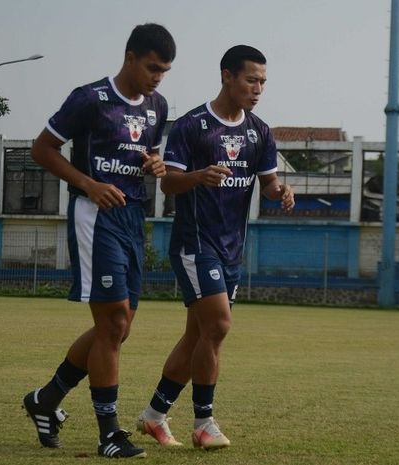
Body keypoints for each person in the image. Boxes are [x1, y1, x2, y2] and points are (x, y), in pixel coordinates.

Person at [22, 23, 175, 459]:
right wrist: (88, 184)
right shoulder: (89, 98)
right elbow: (42, 149)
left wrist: (155, 165)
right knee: (111, 325)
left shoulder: (157, 106)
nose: (157, 78)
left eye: (164, 71)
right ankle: (109, 432)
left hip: (132, 217)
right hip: (95, 215)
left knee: (119, 327)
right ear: (129, 57)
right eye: (152, 68)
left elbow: (147, 154)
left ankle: (46, 400)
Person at [135, 45, 295, 450]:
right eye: (250, 80)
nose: (257, 89)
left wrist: (281, 191)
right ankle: (204, 423)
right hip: (195, 244)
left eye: (263, 82)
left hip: (230, 249)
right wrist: (199, 176)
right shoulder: (192, 126)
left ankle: (154, 416)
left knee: (198, 337)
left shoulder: (259, 131)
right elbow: (168, 183)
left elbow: (269, 183)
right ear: (227, 76)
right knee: (219, 326)